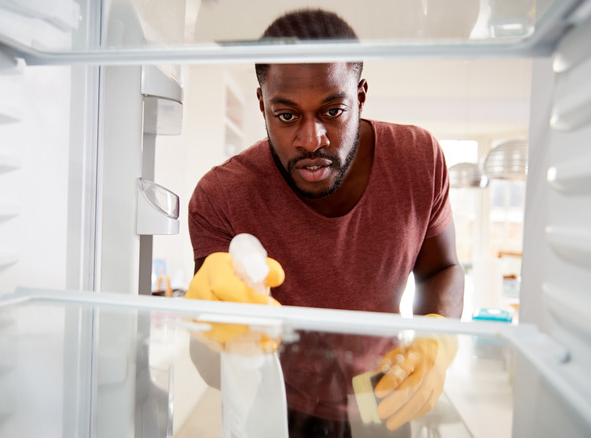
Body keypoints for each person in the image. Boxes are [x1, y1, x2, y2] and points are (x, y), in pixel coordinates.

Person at [185, 8, 464, 437]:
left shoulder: (419, 159)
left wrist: (437, 342)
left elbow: (442, 269)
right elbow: (211, 365)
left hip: (384, 396)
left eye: (333, 111)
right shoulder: (220, 196)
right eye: (286, 115)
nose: (312, 139)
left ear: (361, 95)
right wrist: (208, 330)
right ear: (262, 105)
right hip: (279, 404)